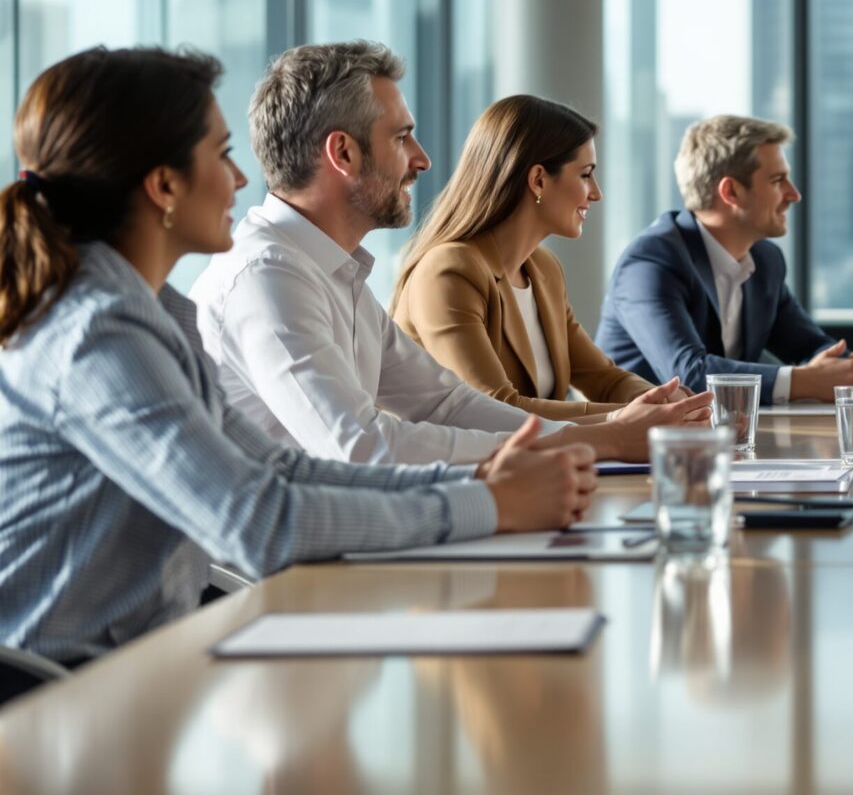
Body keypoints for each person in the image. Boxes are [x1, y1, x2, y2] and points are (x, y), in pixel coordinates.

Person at [0, 47, 594, 668]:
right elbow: (260, 522)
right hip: (62, 699)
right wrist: (489, 503)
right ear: (164, 185)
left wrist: (484, 487)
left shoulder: (155, 314)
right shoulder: (98, 332)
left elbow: (284, 471)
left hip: (138, 670)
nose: (238, 178)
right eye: (221, 153)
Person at [190, 41, 670, 465]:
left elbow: (448, 405)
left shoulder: (332, 268)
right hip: (296, 563)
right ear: (343, 154)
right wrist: (597, 441)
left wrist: (600, 434)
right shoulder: (268, 276)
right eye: (401, 138)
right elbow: (362, 447)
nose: (422, 159)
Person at [389, 95, 713, 426]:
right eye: (586, 174)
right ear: (539, 180)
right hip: (455, 472)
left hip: (534, 465)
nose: (596, 192)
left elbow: (604, 379)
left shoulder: (543, 269)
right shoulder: (448, 271)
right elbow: (491, 408)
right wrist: (627, 417)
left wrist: (664, 402)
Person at [596, 115, 853, 404]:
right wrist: (806, 381)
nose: (794, 195)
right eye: (777, 180)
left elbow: (808, 345)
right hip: (635, 440)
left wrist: (848, 369)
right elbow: (688, 374)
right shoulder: (651, 261)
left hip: (720, 435)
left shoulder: (765, 259)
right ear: (731, 191)